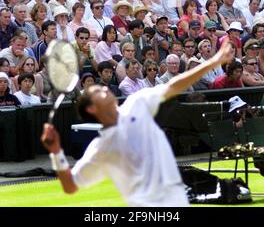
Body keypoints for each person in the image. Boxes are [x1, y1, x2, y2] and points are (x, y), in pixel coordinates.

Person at [41, 40, 232, 207]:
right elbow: (70, 185)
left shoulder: (137, 103)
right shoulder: (102, 148)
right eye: (98, 92)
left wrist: (214, 61)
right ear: (92, 109)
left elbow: (174, 85)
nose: (106, 91)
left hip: (177, 198)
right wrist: (56, 151)